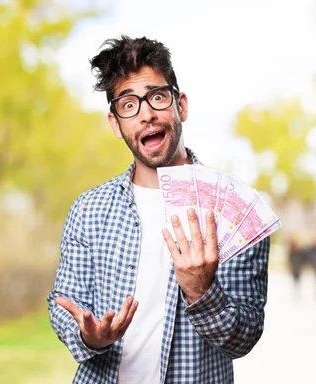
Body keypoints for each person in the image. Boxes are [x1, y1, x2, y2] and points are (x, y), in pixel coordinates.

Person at [46, 35, 270, 384]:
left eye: (157, 97)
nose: (146, 114)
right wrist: (89, 337)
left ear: (180, 105)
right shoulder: (88, 211)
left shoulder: (235, 209)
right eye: (128, 104)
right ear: (115, 123)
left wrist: (201, 291)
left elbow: (244, 338)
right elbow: (64, 304)